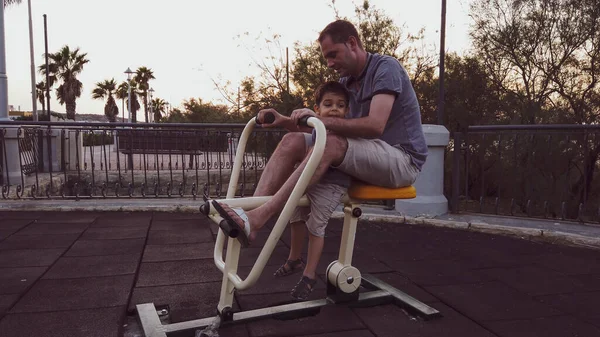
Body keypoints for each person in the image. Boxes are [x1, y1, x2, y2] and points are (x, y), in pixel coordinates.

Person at [212, 19, 427, 264]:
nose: (330, 63)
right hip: (366, 154)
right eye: (326, 58)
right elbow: (320, 125)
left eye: (333, 55)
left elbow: (375, 125)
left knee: (330, 145)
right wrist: (284, 120)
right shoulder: (345, 84)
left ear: (352, 43)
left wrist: (320, 121)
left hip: (401, 159)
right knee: (292, 140)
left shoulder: (385, 68)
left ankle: (261, 216)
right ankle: (248, 219)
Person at [273, 81, 351, 300]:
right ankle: (294, 259)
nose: (335, 108)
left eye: (340, 105)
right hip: (312, 180)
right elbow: (297, 129)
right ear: (317, 109)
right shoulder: (318, 126)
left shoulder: (343, 128)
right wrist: (283, 120)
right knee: (295, 215)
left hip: (332, 184)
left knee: (316, 225)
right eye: (328, 104)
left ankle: (309, 275)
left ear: (347, 111)